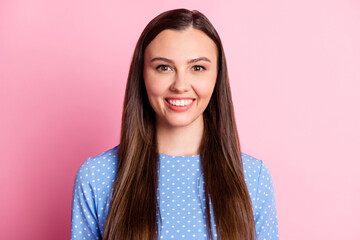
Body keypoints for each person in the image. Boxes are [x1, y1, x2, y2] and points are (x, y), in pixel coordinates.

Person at [71, 8, 278, 240]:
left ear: (217, 77)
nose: (180, 85)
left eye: (197, 68)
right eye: (164, 67)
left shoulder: (253, 178)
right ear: (142, 76)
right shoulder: (97, 177)